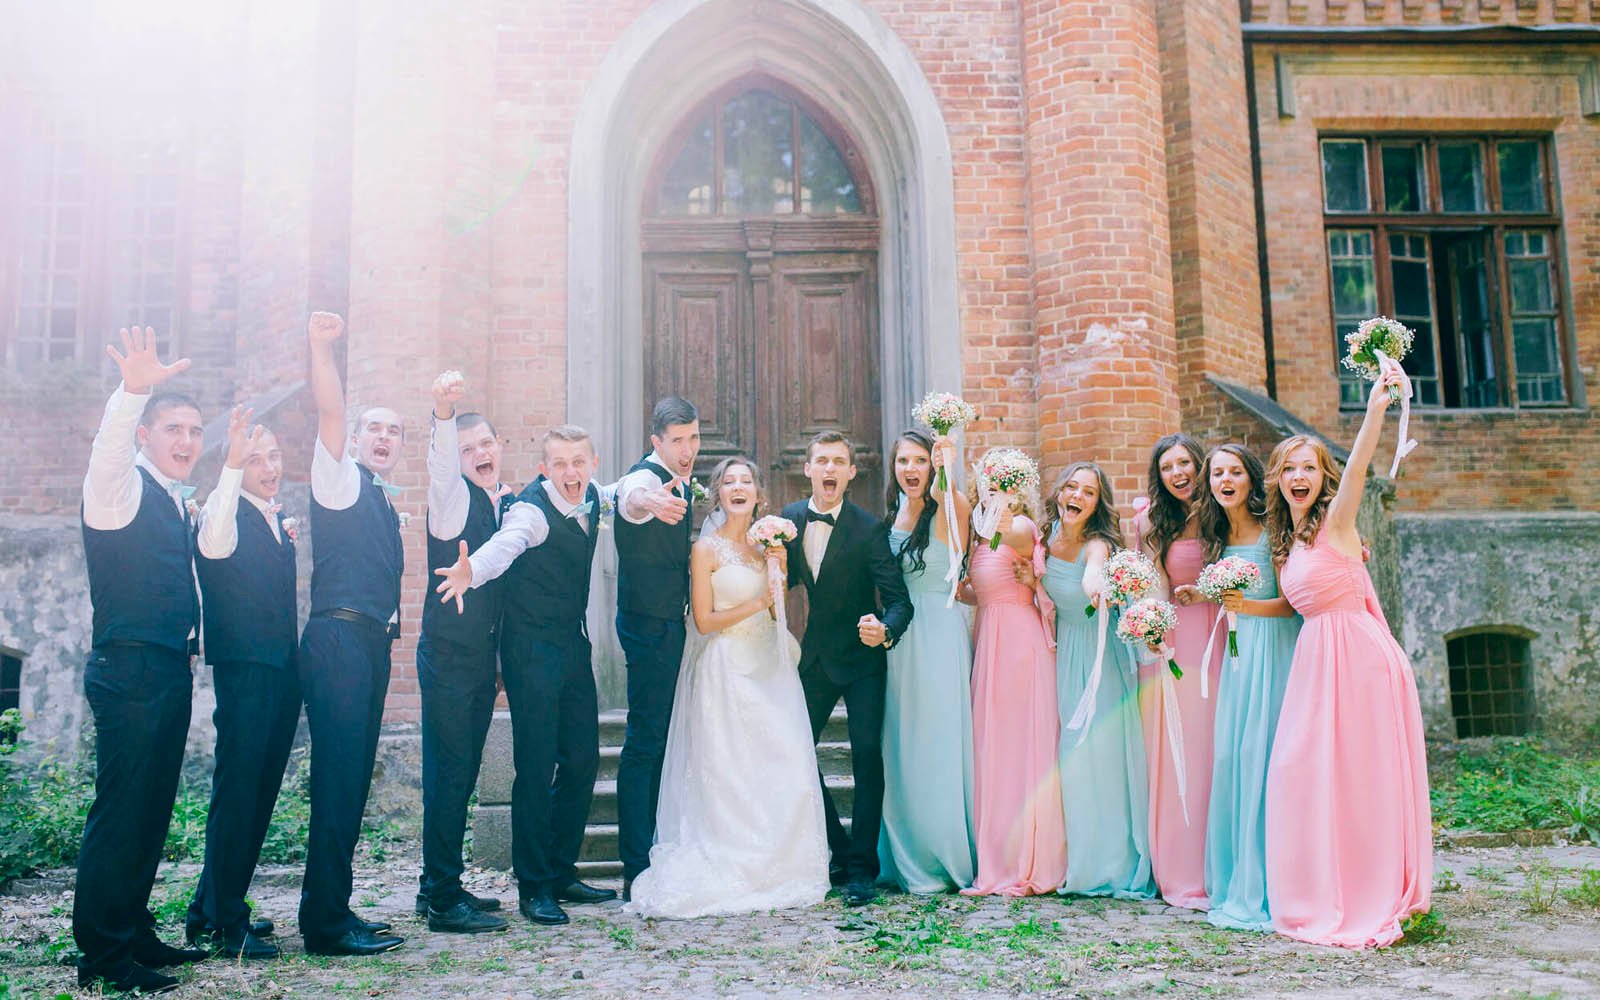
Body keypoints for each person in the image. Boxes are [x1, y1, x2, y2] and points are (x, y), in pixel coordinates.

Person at [1263, 367, 1431, 949]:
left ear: (1323, 477)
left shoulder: (1337, 522)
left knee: (1361, 780)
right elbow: (1292, 608)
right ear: (1279, 481)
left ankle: (1370, 891)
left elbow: (1359, 468)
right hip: (1317, 664)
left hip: (1359, 661)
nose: (1299, 476)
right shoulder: (1289, 542)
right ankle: (1323, 884)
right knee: (1303, 772)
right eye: (1289, 468)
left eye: (1309, 466)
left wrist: (1376, 410)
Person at [624, 458, 829, 918]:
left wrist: (776, 578)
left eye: (746, 482)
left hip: (768, 665)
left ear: (759, 495)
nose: (738, 488)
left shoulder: (769, 547)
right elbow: (703, 620)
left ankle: (777, 861)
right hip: (725, 667)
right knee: (729, 768)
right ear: (718, 494)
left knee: (777, 761)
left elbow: (778, 617)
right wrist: (758, 600)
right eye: (729, 482)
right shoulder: (705, 550)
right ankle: (731, 857)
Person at [434, 425, 616, 926]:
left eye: (579, 462)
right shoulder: (531, 511)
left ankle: (561, 871)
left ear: (593, 462)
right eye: (559, 464)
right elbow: (505, 545)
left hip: (572, 645)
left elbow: (628, 493)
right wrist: (472, 570)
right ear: (544, 468)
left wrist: (648, 494)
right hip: (530, 649)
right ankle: (534, 887)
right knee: (535, 766)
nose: (570, 472)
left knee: (582, 759)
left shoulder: (595, 496)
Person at [73, 326, 208, 994]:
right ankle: (102, 955)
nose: (186, 441)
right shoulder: (117, 489)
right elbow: (106, 450)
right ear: (145, 436)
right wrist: (132, 392)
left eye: (194, 430)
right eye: (173, 428)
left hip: (166, 669)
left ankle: (133, 929)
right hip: (128, 670)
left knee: (151, 809)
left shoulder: (174, 500)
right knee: (123, 810)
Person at [296, 311, 405, 956]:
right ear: (357, 438)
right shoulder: (337, 480)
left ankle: (332, 909)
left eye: (395, 430)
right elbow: (329, 414)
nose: (384, 437)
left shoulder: (381, 495)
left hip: (369, 646)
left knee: (353, 778)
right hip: (338, 641)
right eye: (375, 428)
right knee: (338, 779)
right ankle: (326, 925)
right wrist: (321, 349)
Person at [185, 410, 301, 959]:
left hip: (280, 669)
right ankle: (227, 921)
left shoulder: (274, 516)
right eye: (255, 458)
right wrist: (233, 464)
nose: (269, 467)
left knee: (258, 794)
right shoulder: (221, 512)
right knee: (237, 793)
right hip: (246, 669)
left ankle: (211, 907)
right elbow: (215, 545)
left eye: (274, 455)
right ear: (234, 465)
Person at [782, 431, 914, 907]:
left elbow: (899, 601)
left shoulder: (868, 529)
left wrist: (885, 627)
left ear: (852, 472)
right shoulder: (789, 522)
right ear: (809, 468)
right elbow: (780, 581)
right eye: (823, 461)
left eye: (840, 461)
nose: (831, 469)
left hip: (863, 660)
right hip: (815, 657)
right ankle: (837, 848)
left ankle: (861, 869)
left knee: (865, 758)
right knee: (794, 749)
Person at [413, 373, 511, 934]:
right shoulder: (451, 502)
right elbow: (441, 472)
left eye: (485, 445)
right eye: (466, 448)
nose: (478, 455)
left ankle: (436, 886)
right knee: (450, 776)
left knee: (461, 773)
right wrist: (442, 415)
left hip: (477, 660)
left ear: (500, 449)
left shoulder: (502, 504)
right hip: (450, 658)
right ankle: (446, 902)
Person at [1191, 444, 1300, 932]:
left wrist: (1243, 606)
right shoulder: (1216, 534)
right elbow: (1229, 599)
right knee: (1233, 757)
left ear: (1252, 480)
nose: (1226, 479)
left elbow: (1290, 603)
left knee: (1265, 752)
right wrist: (1204, 594)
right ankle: (1239, 875)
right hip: (1236, 659)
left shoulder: (1273, 529)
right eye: (1217, 473)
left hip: (1273, 650)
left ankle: (1279, 880)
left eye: (1235, 471)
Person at [1037, 462, 1155, 900]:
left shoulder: (1097, 544)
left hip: (1100, 657)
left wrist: (1094, 583)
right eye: (1071, 486)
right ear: (1059, 492)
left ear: (1097, 504)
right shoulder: (1045, 539)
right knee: (1071, 756)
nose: (1078, 496)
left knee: (1096, 753)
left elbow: (1093, 568)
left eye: (1088, 492)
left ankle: (1108, 864)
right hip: (1064, 651)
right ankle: (1077, 855)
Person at [961, 454, 1066, 898]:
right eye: (987, 481)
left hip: (1020, 643)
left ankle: (1027, 861)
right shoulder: (981, 537)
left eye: (1001, 481)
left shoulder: (1016, 527)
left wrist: (994, 504)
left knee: (1022, 747)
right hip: (990, 640)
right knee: (992, 749)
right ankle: (994, 860)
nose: (993, 489)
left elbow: (997, 533)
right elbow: (975, 589)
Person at [877, 431, 977, 894]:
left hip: (938, 630)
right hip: (900, 639)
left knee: (938, 739)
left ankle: (944, 852)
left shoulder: (949, 504)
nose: (910, 468)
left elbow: (946, 494)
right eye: (903, 460)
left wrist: (945, 463)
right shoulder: (893, 513)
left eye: (919, 460)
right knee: (903, 740)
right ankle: (905, 853)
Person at [612, 397, 701, 900]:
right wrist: (650, 502)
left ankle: (654, 848)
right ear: (656, 443)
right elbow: (630, 495)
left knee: (661, 738)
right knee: (645, 741)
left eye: (692, 439)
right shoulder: (646, 479)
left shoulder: (685, 479)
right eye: (676, 442)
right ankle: (634, 863)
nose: (686, 450)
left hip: (669, 624)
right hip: (647, 626)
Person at [1136, 432, 1223, 910]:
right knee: (1180, 751)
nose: (1178, 473)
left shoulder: (1222, 511)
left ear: (1200, 465)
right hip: (1176, 641)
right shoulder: (1152, 522)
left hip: (1220, 635)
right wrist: (1151, 626)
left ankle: (1222, 862)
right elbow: (1153, 585)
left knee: (1219, 747)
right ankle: (1181, 865)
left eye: (1185, 463)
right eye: (1168, 466)